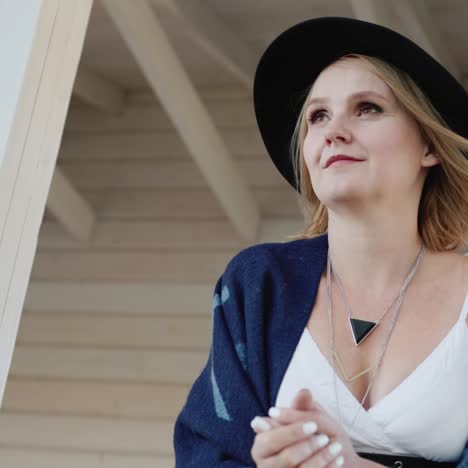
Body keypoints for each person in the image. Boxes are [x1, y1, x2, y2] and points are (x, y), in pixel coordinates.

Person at [173, 17, 468, 467]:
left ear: (429, 146)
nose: (334, 131)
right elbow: (205, 450)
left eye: (367, 108)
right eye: (318, 115)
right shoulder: (259, 284)